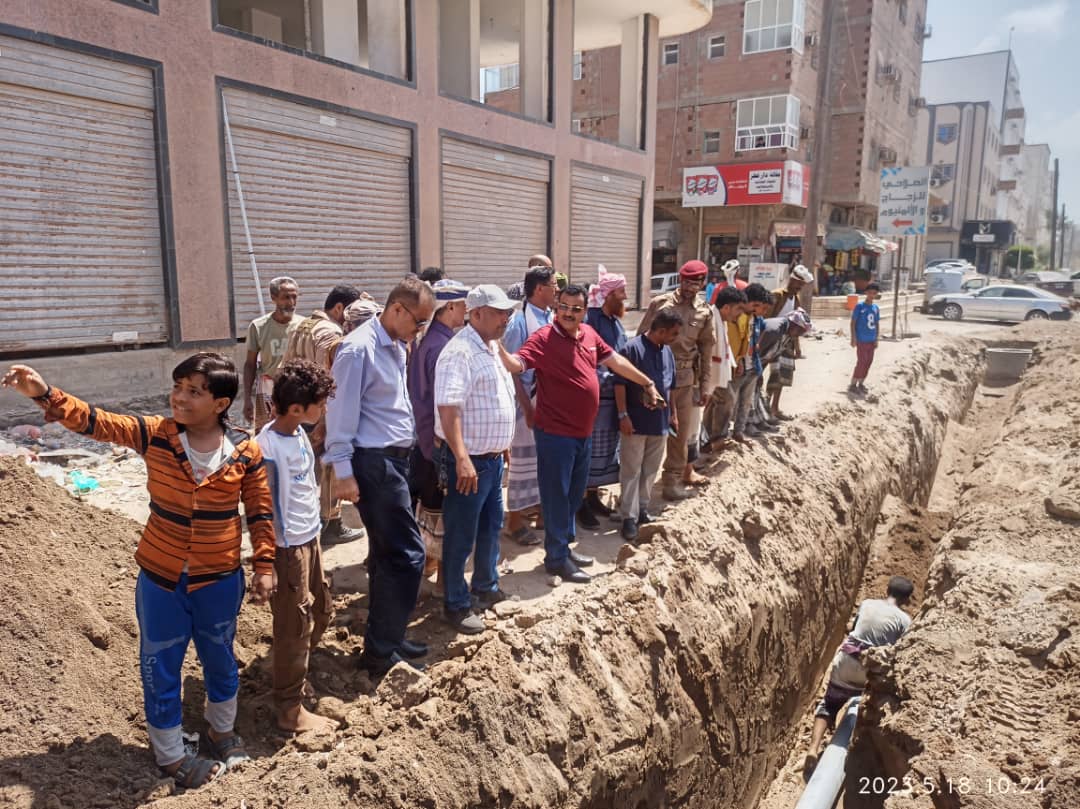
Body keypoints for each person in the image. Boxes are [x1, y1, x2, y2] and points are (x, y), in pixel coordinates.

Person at [2, 354, 274, 788]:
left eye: (193, 391)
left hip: (220, 580)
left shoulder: (246, 451)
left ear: (220, 404)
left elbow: (260, 512)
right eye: (178, 387)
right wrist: (45, 393)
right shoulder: (156, 435)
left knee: (221, 659)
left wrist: (264, 565)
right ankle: (170, 756)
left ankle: (221, 731)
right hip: (161, 580)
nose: (179, 397)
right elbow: (97, 421)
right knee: (160, 664)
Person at [498, 285, 664, 584]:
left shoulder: (589, 334)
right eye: (563, 306)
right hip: (555, 435)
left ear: (584, 311)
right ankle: (556, 559)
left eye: (576, 308)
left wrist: (648, 382)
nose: (569, 313)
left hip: (582, 434)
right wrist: (492, 340)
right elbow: (515, 364)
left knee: (574, 496)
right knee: (556, 497)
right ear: (556, 307)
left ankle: (565, 549)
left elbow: (616, 361)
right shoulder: (543, 339)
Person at [324, 277, 436, 676]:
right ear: (398, 309)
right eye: (419, 321)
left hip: (394, 461)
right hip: (373, 463)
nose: (420, 329)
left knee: (390, 556)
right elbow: (339, 414)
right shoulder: (358, 350)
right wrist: (343, 473)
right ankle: (379, 650)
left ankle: (388, 638)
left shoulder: (396, 347)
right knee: (407, 555)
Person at [257, 359, 339, 734]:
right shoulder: (268, 448)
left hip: (309, 537)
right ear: (295, 408)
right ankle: (289, 709)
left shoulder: (297, 435)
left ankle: (285, 669)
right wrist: (268, 563)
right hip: (287, 548)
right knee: (295, 625)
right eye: (318, 404)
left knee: (320, 609)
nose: (323, 410)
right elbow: (264, 509)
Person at [434, 285, 519, 633]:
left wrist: (504, 442)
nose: (506, 318)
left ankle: (485, 587)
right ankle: (455, 604)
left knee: (490, 526)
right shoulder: (460, 352)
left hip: (491, 459)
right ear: (477, 313)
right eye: (500, 312)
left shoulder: (490, 346)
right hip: (470, 462)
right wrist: (462, 457)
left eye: (507, 312)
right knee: (461, 534)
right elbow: (448, 408)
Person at [282, 284, 366, 546]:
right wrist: (329, 421)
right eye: (349, 312)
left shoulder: (302, 325)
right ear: (339, 308)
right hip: (318, 410)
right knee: (329, 467)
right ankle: (331, 523)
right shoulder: (330, 332)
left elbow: (286, 366)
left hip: (296, 407)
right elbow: (333, 378)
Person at [805, 576, 915, 774]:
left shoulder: (867, 604)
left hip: (846, 659)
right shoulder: (905, 620)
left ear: (886, 590)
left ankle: (813, 749)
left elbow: (853, 628)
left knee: (829, 705)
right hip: (869, 669)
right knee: (867, 707)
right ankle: (850, 751)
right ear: (907, 600)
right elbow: (902, 650)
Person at [407, 279, 469, 591]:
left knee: (428, 509)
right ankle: (446, 582)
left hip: (422, 439)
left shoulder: (426, 341)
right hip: (437, 443)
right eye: (463, 305)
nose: (467, 311)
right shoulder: (444, 346)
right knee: (444, 515)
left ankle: (430, 569)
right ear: (450, 308)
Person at [637, 260, 715, 502]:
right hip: (655, 376)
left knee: (679, 435)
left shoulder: (704, 311)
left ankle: (672, 481)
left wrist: (704, 386)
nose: (691, 287)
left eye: (696, 282)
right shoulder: (661, 304)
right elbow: (641, 338)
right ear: (680, 281)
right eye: (687, 282)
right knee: (646, 433)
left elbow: (706, 349)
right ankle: (637, 491)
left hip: (683, 379)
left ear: (703, 283)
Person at [501, 264, 557, 546]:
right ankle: (514, 522)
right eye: (553, 285)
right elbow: (510, 368)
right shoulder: (519, 322)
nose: (557, 290)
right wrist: (526, 406)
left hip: (548, 403)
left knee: (544, 461)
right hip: (526, 404)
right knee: (523, 464)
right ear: (538, 289)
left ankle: (540, 514)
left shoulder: (549, 316)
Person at [614, 308, 682, 541]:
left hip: (659, 423)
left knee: (650, 469)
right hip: (635, 423)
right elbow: (619, 384)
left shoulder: (667, 352)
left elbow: (671, 386)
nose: (675, 338)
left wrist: (673, 414)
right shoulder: (631, 349)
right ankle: (628, 518)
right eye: (673, 334)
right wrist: (623, 415)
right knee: (631, 471)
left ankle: (642, 509)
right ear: (661, 331)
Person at [579, 266, 629, 529]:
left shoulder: (614, 321)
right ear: (608, 295)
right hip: (596, 398)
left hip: (613, 398)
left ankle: (593, 497)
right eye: (621, 291)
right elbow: (588, 360)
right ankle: (580, 505)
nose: (625, 295)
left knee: (604, 452)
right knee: (588, 453)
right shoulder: (591, 321)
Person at [243, 276, 303, 430]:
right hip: (268, 389)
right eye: (286, 297)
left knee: (295, 433)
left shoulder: (303, 326)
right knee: (265, 434)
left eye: (294, 297)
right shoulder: (258, 326)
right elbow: (250, 364)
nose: (291, 302)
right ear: (273, 298)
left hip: (296, 390)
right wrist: (247, 399)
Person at [701, 286, 747, 450]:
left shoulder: (722, 321)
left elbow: (725, 347)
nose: (740, 313)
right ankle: (716, 438)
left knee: (718, 402)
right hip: (710, 372)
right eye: (738, 309)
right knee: (727, 399)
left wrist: (734, 363)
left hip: (719, 371)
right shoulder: (711, 319)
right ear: (726, 307)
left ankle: (707, 440)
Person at [767, 266, 813, 419]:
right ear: (792, 280)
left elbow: (797, 325)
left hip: (787, 341)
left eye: (801, 286)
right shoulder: (777, 295)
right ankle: (765, 408)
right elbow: (767, 318)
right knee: (772, 374)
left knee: (783, 374)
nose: (799, 288)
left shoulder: (796, 300)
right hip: (773, 338)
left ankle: (775, 408)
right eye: (798, 284)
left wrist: (797, 347)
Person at [732, 283, 776, 440]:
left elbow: (757, 338)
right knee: (730, 401)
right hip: (739, 365)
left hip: (752, 365)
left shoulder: (757, 320)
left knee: (746, 402)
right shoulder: (739, 317)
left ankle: (739, 430)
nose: (763, 311)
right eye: (760, 307)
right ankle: (720, 434)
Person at [849, 282, 881, 395]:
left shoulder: (876, 308)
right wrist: (853, 337)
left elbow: (877, 324)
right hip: (861, 339)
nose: (871, 295)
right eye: (870, 292)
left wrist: (877, 338)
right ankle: (853, 384)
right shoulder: (859, 306)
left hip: (871, 340)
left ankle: (861, 383)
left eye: (874, 293)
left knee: (869, 362)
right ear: (866, 293)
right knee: (861, 361)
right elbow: (853, 323)